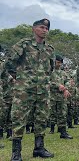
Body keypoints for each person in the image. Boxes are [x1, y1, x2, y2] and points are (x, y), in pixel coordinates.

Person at [5, 18, 55, 160]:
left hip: (43, 91)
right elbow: (9, 62)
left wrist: (43, 81)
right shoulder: (24, 44)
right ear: (34, 29)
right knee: (19, 119)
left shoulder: (50, 49)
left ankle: (39, 148)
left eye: (46, 28)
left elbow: (50, 69)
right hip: (24, 90)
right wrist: (19, 77)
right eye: (41, 27)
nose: (44, 30)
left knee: (42, 118)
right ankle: (16, 153)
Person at [49, 54, 72, 139]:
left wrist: (65, 88)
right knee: (52, 114)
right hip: (52, 96)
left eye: (60, 63)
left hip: (62, 97)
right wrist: (57, 85)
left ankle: (63, 132)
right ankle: (51, 128)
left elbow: (69, 81)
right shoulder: (50, 72)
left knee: (62, 114)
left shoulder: (63, 73)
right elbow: (47, 82)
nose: (59, 64)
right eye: (57, 62)